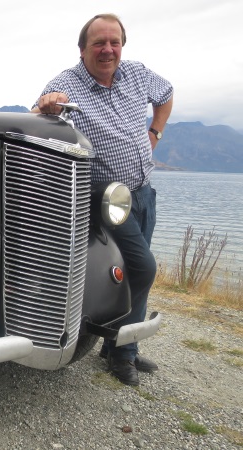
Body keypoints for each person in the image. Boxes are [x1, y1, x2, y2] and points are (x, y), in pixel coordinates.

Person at [32, 13, 173, 386]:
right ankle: (120, 351)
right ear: (83, 50)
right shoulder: (67, 83)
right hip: (105, 196)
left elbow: (166, 94)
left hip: (143, 191)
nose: (108, 50)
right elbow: (36, 114)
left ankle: (122, 347)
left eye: (114, 43)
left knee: (134, 274)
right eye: (99, 43)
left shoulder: (138, 74)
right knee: (143, 268)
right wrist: (48, 105)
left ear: (122, 46)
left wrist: (154, 132)